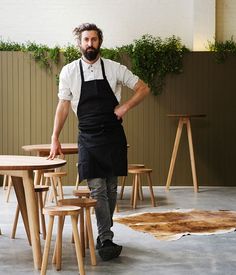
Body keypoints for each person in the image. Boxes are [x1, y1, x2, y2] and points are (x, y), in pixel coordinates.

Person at [48, 23, 149, 261]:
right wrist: (55, 137)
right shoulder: (69, 71)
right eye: (86, 40)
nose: (90, 44)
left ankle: (104, 234)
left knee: (112, 189)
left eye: (94, 39)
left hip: (113, 136)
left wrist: (125, 107)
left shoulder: (114, 68)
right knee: (98, 189)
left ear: (99, 42)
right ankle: (106, 238)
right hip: (88, 137)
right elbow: (63, 106)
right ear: (79, 43)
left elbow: (143, 88)